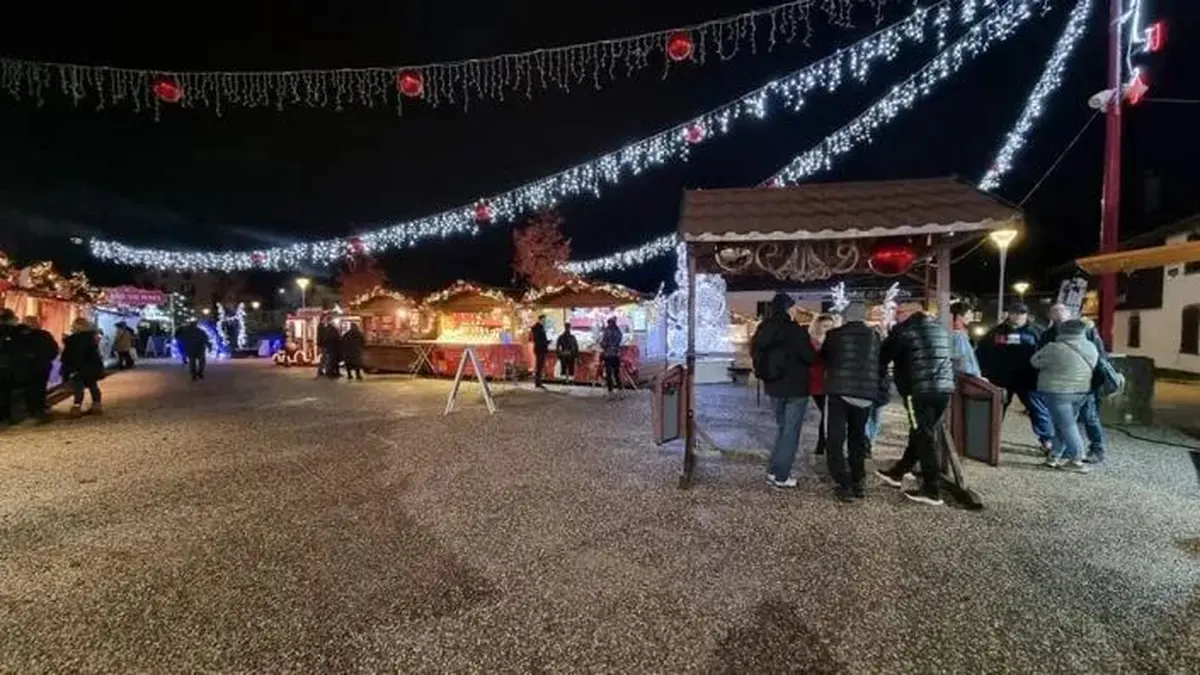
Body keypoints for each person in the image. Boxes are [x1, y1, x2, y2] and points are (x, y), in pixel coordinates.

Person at [877, 304, 956, 506]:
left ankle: (932, 490)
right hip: (944, 389)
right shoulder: (938, 328)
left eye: (899, 312)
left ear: (910, 313)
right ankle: (899, 472)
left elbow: (883, 355)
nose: (896, 316)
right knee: (922, 432)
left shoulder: (904, 331)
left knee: (923, 436)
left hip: (917, 390)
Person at [751, 292, 818, 489]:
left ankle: (773, 470)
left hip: (773, 386)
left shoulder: (763, 328)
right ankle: (781, 475)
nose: (796, 310)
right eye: (794, 307)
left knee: (782, 429)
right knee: (790, 432)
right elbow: (810, 357)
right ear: (789, 308)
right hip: (795, 389)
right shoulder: (794, 330)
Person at [820, 302, 881, 502]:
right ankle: (858, 480)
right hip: (865, 394)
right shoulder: (875, 336)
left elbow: (824, 358)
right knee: (857, 438)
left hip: (839, 391)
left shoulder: (834, 335)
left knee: (835, 439)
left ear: (846, 316)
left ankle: (843, 482)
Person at [976, 302, 1052, 451]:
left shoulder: (1037, 332)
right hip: (1001, 378)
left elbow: (1047, 354)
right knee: (996, 410)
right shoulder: (996, 332)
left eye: (1021, 313)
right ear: (1009, 314)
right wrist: (984, 372)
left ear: (1026, 315)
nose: (1017, 316)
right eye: (1015, 312)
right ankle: (990, 440)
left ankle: (1047, 440)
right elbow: (983, 351)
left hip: (1029, 379)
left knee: (1038, 410)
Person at [1041, 304, 1108, 463]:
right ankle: (1061, 451)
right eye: (1055, 316)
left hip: (1085, 383)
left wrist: (1095, 380)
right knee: (1064, 420)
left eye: (1062, 315)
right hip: (1062, 385)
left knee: (1089, 417)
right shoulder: (1048, 334)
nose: (1059, 319)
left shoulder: (1086, 330)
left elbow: (1100, 356)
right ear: (1051, 317)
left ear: (1070, 315)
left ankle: (1096, 449)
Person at [1031, 319, 1099, 473]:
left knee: (1067, 426)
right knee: (1064, 424)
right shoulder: (1090, 347)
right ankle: (1054, 457)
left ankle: (1077, 459)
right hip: (1081, 392)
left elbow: (1035, 362)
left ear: (1062, 331)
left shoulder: (1054, 348)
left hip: (1057, 392)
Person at [17, 316, 60, 423]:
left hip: (28, 368)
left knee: (30, 389)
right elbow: (54, 349)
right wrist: (47, 359)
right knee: (40, 388)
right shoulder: (45, 335)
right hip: (43, 366)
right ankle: (39, 409)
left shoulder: (22, 337)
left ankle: (32, 410)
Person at [60, 317, 104, 417]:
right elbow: (95, 354)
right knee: (93, 385)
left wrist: (67, 369)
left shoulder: (73, 340)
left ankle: (76, 407)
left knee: (78, 387)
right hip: (92, 367)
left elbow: (69, 356)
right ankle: (97, 405)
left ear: (77, 326)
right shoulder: (91, 338)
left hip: (78, 367)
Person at [808, 313, 836, 457]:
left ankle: (822, 444)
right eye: (825, 326)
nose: (828, 329)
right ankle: (821, 444)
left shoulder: (833, 340)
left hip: (830, 381)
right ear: (818, 326)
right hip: (818, 382)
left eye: (831, 326)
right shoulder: (812, 341)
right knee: (826, 413)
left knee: (827, 413)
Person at [949, 302, 981, 377]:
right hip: (968, 380)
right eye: (968, 313)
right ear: (960, 316)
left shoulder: (953, 333)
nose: (970, 317)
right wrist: (976, 376)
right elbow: (962, 362)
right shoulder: (959, 336)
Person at [0, 309, 19, 425]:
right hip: (9, 367)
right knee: (6, 392)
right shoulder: (15, 331)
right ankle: (6, 415)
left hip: (6, 365)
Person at [599, 317, 624, 397]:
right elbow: (619, 341)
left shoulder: (607, 332)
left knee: (609, 374)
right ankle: (620, 391)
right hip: (616, 355)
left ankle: (610, 392)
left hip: (608, 355)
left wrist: (602, 344)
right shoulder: (618, 331)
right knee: (616, 374)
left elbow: (604, 343)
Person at [531, 315, 550, 389]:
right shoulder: (537, 328)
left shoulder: (539, 328)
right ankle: (538, 382)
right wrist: (546, 342)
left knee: (540, 366)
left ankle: (538, 382)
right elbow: (539, 340)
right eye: (544, 320)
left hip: (540, 349)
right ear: (540, 320)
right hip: (540, 349)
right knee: (539, 366)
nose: (544, 322)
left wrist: (546, 342)